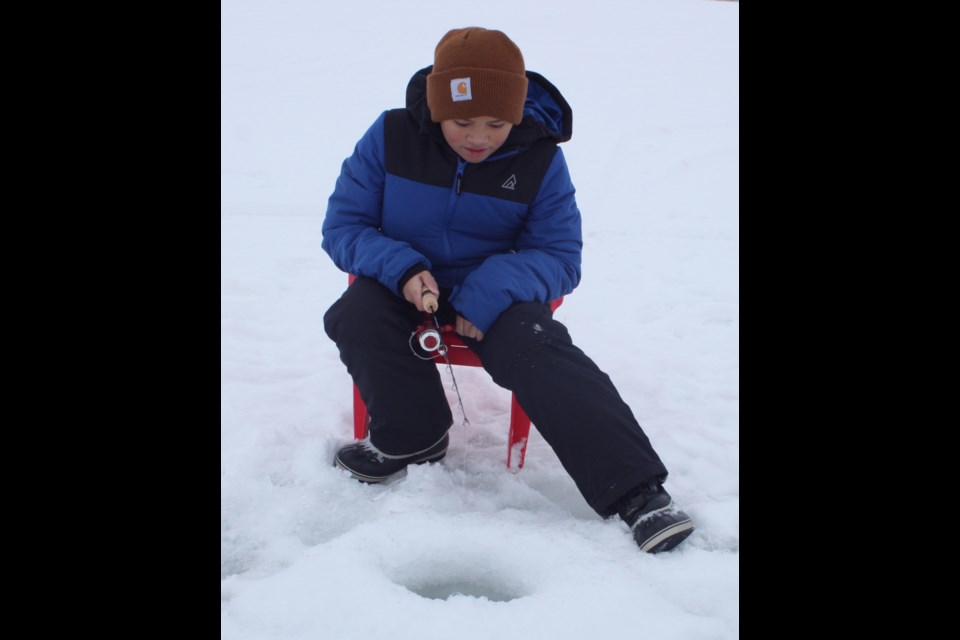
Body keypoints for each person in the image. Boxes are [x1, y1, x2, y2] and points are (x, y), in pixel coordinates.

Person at [321, 27, 694, 553]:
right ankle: (413, 434)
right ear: (435, 108)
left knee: (540, 349)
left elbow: (560, 254)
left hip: (497, 294)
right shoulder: (390, 136)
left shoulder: (540, 159)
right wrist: (401, 268)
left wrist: (491, 288)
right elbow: (344, 226)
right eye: (462, 122)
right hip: (403, 285)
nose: (479, 137)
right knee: (354, 313)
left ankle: (637, 492)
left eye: (497, 123)